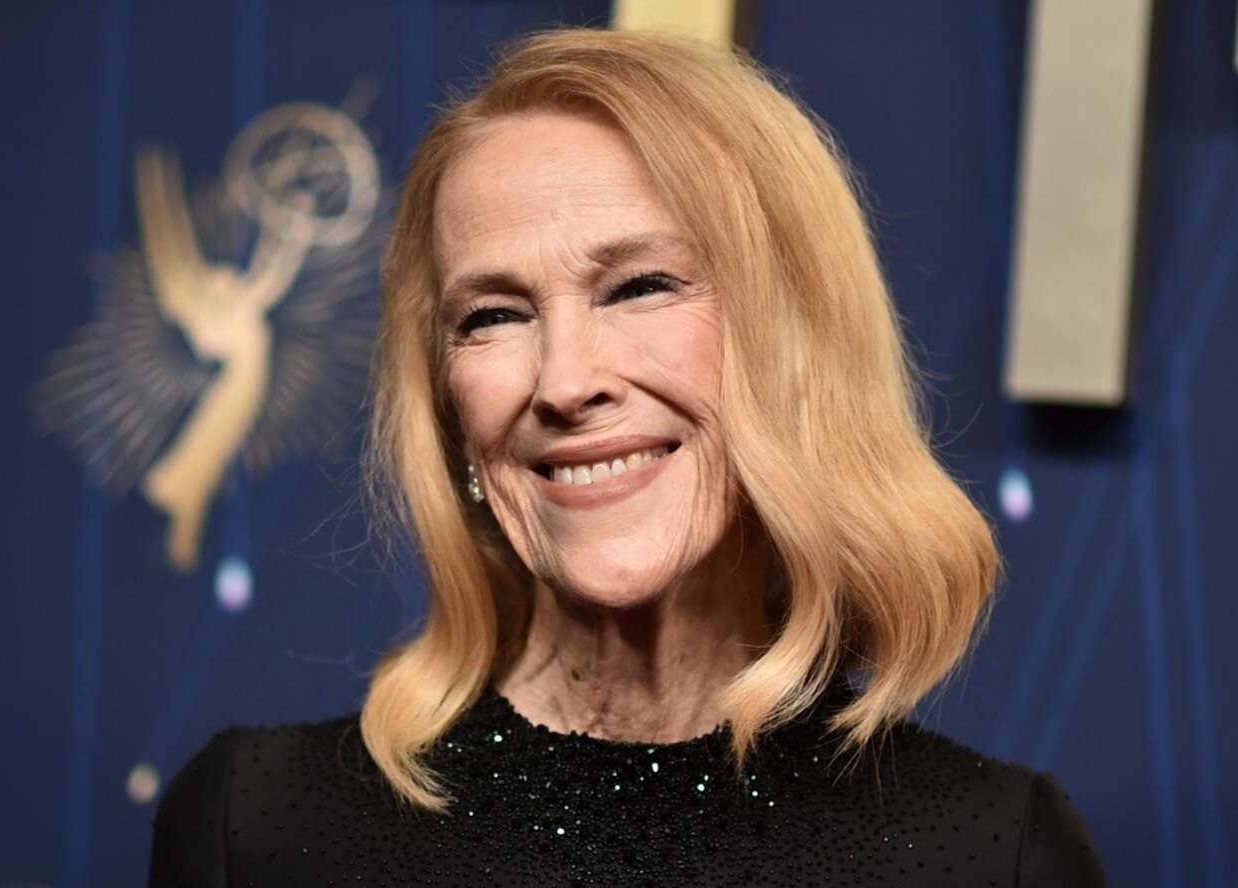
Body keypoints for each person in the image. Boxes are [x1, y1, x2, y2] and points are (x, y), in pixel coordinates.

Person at [149, 27, 1105, 887]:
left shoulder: (992, 853)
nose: (565, 381)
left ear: (799, 342)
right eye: (493, 316)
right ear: (446, 401)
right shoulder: (257, 827)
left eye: (641, 286)